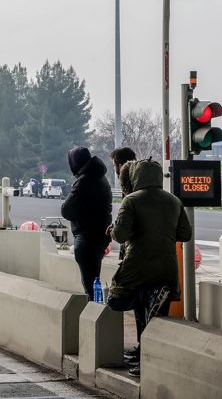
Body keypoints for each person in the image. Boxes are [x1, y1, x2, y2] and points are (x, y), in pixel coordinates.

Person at [106, 159, 192, 376]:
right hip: (166, 267)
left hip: (137, 266)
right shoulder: (174, 201)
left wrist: (114, 229)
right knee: (156, 319)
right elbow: (185, 234)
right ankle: (150, 359)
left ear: (136, 176)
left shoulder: (131, 201)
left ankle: (143, 358)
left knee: (119, 300)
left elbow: (121, 235)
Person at [61, 147, 113, 294]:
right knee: (94, 278)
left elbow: (66, 210)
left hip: (87, 236)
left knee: (90, 283)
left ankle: (93, 311)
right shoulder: (100, 177)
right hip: (100, 235)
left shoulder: (84, 181)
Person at [109, 147, 137, 260]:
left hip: (133, 250)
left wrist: (116, 228)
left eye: (114, 165)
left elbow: (120, 235)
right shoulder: (142, 181)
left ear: (120, 165)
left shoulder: (129, 187)